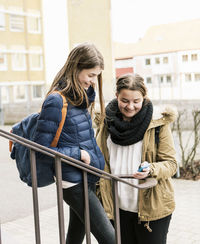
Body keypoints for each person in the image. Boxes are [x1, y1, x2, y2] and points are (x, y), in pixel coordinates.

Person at [32, 43, 115, 244]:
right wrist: (79, 155)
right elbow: (40, 148)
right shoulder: (56, 101)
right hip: (73, 182)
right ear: (76, 68)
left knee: (74, 238)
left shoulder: (79, 98)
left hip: (85, 177)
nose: (94, 81)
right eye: (91, 75)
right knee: (111, 239)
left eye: (97, 75)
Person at [96, 73, 177, 244]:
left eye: (136, 101)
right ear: (117, 95)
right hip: (116, 208)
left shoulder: (158, 124)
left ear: (144, 98)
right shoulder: (105, 122)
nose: (130, 106)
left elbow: (171, 164)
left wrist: (152, 169)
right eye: (124, 100)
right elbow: (99, 159)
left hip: (152, 210)